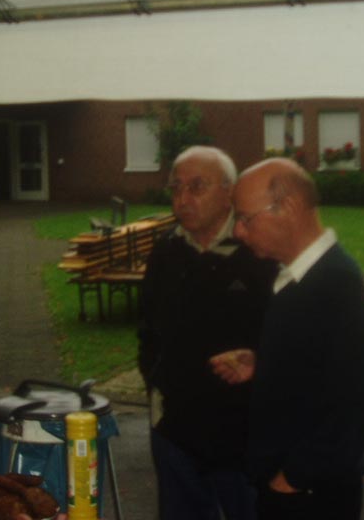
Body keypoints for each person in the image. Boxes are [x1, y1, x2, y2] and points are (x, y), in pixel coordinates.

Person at [210, 157, 364, 520]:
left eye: (245, 218)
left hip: (310, 495)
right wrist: (265, 364)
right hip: (293, 487)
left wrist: (293, 479)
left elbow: (361, 407)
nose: (238, 232)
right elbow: (321, 370)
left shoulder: (335, 284)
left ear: (288, 208)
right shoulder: (298, 277)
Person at [138, 146, 276, 520]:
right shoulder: (165, 252)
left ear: (230, 193)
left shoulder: (259, 252)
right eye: (176, 188)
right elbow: (148, 331)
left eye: (197, 187)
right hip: (175, 434)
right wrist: (156, 388)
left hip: (243, 436)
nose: (182, 199)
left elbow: (287, 339)